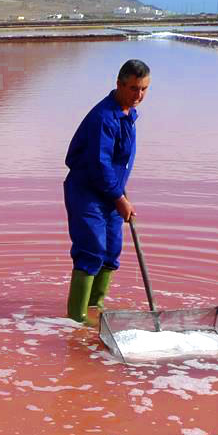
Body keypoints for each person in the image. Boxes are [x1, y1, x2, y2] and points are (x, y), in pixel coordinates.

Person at [63, 59, 151, 323]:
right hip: (87, 191)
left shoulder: (127, 115)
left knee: (111, 251)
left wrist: (121, 194)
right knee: (92, 249)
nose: (139, 95)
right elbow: (99, 164)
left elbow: (117, 164)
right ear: (119, 85)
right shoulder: (104, 118)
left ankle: (95, 307)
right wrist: (118, 197)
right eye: (134, 88)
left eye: (144, 89)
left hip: (111, 192)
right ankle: (76, 317)